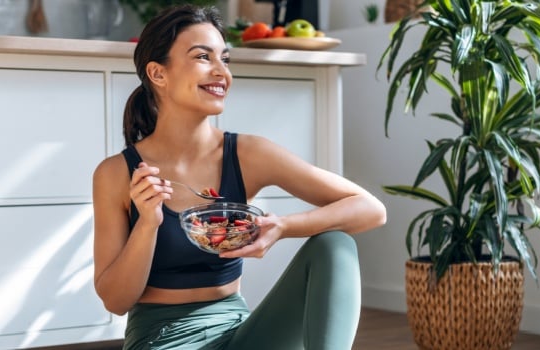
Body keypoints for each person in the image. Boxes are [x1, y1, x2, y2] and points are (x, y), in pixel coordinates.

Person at [92, 5, 387, 349]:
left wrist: (284, 227)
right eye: (203, 57)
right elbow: (116, 301)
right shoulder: (117, 173)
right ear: (158, 74)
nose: (222, 72)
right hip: (163, 338)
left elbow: (370, 209)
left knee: (335, 245)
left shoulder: (248, 154)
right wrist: (147, 224)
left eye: (225, 59)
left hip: (240, 332)